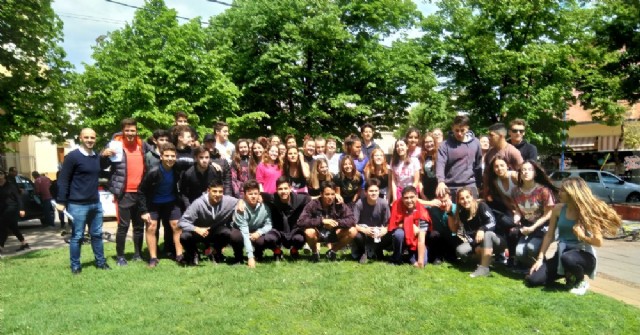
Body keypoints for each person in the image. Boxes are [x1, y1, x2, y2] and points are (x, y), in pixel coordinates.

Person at [527, 177, 621, 295]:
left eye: (562, 191)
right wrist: (540, 259)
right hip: (561, 255)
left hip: (583, 256)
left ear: (572, 193)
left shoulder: (587, 212)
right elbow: (549, 235)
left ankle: (580, 281)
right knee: (533, 280)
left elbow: (598, 242)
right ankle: (567, 274)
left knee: (568, 258)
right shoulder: (558, 209)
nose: (559, 193)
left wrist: (582, 236)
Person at [55, 128, 111, 274]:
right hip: (77, 204)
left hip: (95, 203)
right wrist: (61, 201)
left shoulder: (95, 156)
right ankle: (75, 266)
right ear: (81, 138)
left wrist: (105, 157)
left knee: (97, 235)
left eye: (92, 137)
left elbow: (102, 168)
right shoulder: (72, 157)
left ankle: (101, 262)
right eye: (86, 137)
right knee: (77, 236)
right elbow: (63, 179)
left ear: (95, 139)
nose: (89, 140)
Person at [101, 118, 146, 266]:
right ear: (123, 131)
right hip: (124, 193)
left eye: (133, 130)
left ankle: (138, 254)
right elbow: (102, 166)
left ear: (136, 131)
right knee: (123, 226)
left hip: (140, 194)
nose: (130, 133)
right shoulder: (115, 146)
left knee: (139, 227)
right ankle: (120, 256)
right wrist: (103, 155)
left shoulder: (142, 145)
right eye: (127, 130)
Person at [138, 143, 184, 267]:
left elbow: (194, 163)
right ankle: (153, 257)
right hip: (153, 203)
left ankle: (180, 255)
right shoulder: (153, 171)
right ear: (161, 157)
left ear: (176, 157)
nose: (170, 158)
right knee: (151, 227)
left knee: (177, 226)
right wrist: (143, 211)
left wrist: (213, 163)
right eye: (167, 156)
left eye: (172, 156)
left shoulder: (177, 168)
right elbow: (141, 191)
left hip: (171, 202)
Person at [178, 180, 238, 265]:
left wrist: (242, 202)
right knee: (184, 236)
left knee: (227, 233)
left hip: (214, 232)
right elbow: (182, 222)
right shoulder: (198, 203)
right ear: (208, 191)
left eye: (220, 191)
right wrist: (197, 229)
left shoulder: (227, 200)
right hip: (198, 232)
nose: (217, 194)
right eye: (214, 191)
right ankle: (194, 254)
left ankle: (215, 252)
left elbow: (242, 200)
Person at [451, 187, 505, 278]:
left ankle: (484, 268)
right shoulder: (462, 213)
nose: (465, 200)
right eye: (462, 198)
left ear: (472, 197)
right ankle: (487, 259)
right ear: (459, 201)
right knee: (460, 251)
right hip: (478, 243)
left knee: (487, 234)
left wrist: (482, 229)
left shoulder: (481, 206)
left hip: (496, 240)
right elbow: (466, 233)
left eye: (467, 197)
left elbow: (492, 222)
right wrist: (475, 245)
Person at [297, 180, 357, 262]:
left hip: (334, 233)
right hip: (318, 233)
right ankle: (315, 253)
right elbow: (301, 221)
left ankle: (332, 251)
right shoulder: (313, 204)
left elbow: (352, 220)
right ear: (321, 194)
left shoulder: (339, 204)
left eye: (332, 194)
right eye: (327, 194)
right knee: (309, 232)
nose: (330, 197)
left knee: (353, 231)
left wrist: (335, 223)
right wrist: (321, 221)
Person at [512, 160, 556, 268]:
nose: (526, 172)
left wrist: (533, 227)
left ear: (535, 173)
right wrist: (516, 216)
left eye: (529, 170)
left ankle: (541, 267)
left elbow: (548, 214)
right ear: (520, 174)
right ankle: (530, 268)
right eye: (523, 170)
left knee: (532, 248)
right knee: (519, 253)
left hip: (544, 226)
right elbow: (518, 209)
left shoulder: (543, 191)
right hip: (526, 226)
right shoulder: (516, 191)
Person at [261, 176, 311, 260]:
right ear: (276, 190)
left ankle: (294, 251)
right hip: (278, 231)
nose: (283, 191)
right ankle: (277, 252)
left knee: (300, 239)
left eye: (285, 188)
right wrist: (241, 201)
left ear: (290, 188)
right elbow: (256, 193)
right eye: (280, 189)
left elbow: (313, 199)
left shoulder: (300, 199)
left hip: (294, 231)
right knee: (268, 238)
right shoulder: (272, 198)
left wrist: (335, 195)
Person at [230, 180, 278, 267]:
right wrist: (250, 257)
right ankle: (238, 256)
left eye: (255, 194)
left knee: (261, 240)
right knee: (236, 237)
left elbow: (269, 224)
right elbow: (244, 232)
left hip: (255, 229)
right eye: (250, 194)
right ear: (245, 195)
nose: (253, 196)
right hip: (240, 229)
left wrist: (258, 232)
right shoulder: (241, 208)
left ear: (259, 194)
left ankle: (258, 254)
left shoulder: (265, 207)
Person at [435, 115, 483, 201]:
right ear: (452, 128)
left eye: (462, 130)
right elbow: (440, 164)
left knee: (473, 212)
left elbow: (478, 166)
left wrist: (479, 185)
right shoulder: (445, 145)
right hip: (451, 186)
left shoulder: (476, 143)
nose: (459, 133)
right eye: (456, 130)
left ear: (467, 128)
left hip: (471, 185)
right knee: (452, 213)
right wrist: (441, 181)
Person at [388, 186, 431, 267]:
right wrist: (410, 225)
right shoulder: (397, 205)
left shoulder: (423, 212)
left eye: (412, 197)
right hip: (403, 236)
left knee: (424, 262)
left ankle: (410, 256)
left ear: (417, 197)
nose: (409, 200)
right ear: (402, 198)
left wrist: (420, 261)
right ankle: (396, 257)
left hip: (416, 240)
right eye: (406, 198)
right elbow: (394, 224)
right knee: (398, 234)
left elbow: (421, 237)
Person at [352, 178, 391, 264]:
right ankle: (363, 252)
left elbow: (389, 223)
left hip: (378, 232)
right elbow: (353, 223)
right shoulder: (359, 204)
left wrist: (385, 230)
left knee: (393, 232)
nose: (374, 193)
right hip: (364, 231)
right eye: (371, 191)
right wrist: (365, 230)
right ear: (365, 192)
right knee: (355, 233)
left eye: (376, 191)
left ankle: (378, 250)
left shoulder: (384, 203)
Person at [483, 123, 523, 190]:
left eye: (491, 135)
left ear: (501, 136)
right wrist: (485, 191)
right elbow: (486, 174)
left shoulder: (513, 152)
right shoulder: (490, 152)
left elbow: (521, 174)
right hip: (494, 193)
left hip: (511, 193)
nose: (489, 138)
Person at [0, 170, 30, 255]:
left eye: (1, 174)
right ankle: (24, 243)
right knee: (13, 227)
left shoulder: (10, 186)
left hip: (12, 208)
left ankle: (1, 246)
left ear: (4, 176)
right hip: (2, 209)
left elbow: (18, 198)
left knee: (2, 226)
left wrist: (22, 209)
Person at [425, 188, 457, 264]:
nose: (443, 204)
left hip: (450, 234)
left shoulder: (455, 208)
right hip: (437, 236)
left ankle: (450, 255)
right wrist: (429, 203)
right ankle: (437, 256)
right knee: (433, 235)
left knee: (452, 236)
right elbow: (416, 202)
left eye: (445, 201)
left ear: (450, 198)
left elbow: (453, 229)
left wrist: (449, 211)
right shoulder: (432, 208)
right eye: (440, 201)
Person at [389, 139, 421, 203]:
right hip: (399, 191)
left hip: (412, 191)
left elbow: (416, 180)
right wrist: (394, 197)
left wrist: (409, 193)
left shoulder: (414, 160)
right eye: (397, 146)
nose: (399, 148)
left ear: (407, 146)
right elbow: (394, 181)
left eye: (401, 145)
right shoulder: (393, 161)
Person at [420, 133, 438, 200]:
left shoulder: (440, 155)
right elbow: (420, 179)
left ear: (434, 142)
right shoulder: (422, 157)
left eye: (431, 141)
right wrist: (422, 195)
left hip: (439, 190)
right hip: (426, 192)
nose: (429, 144)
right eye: (426, 142)